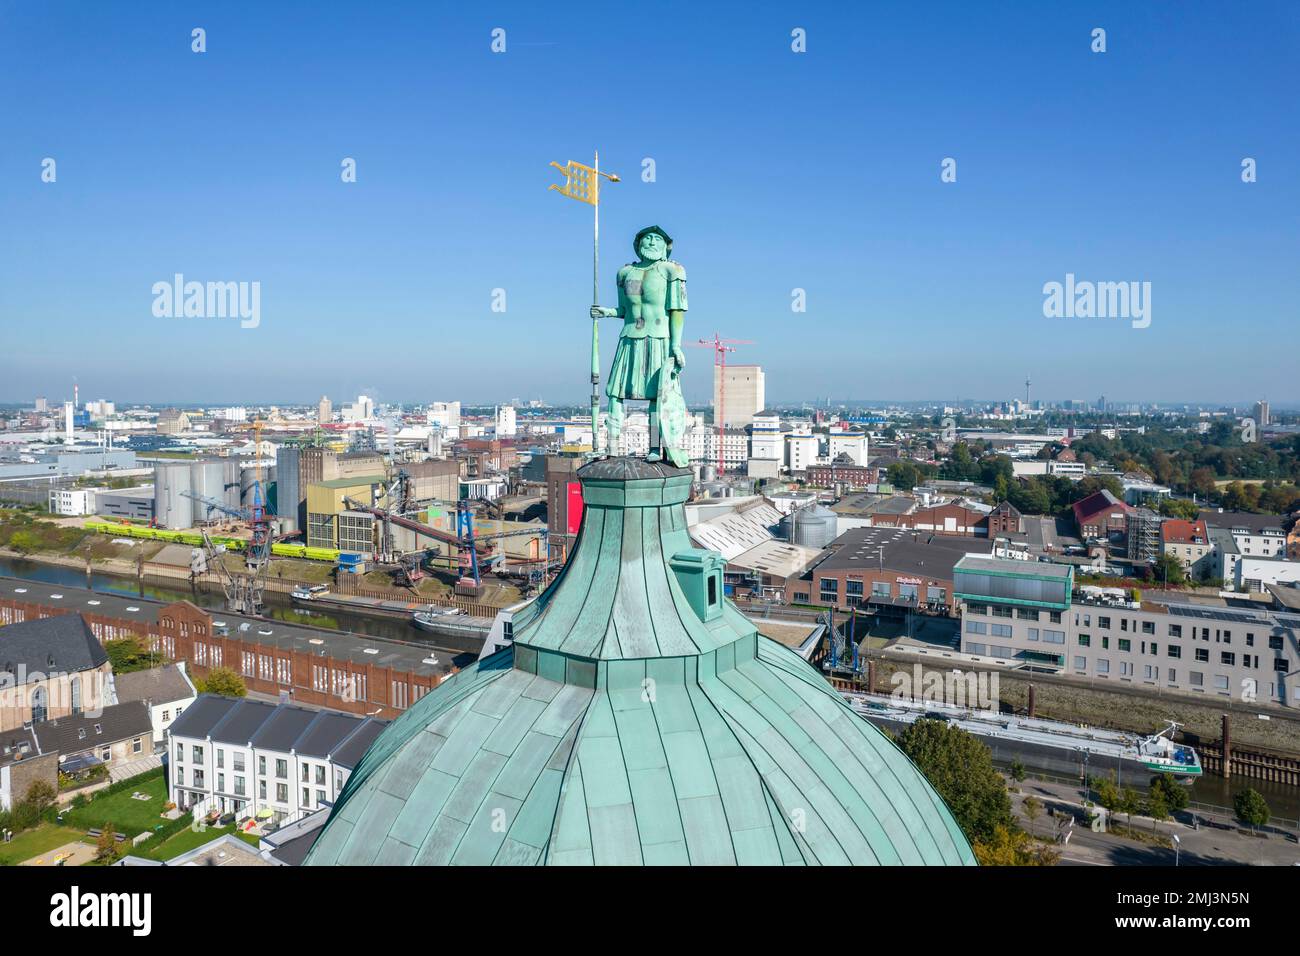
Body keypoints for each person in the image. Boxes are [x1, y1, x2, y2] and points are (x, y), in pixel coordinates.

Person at [590, 225, 688, 465]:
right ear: (638, 244)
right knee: (615, 393)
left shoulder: (672, 270)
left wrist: (676, 345)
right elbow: (625, 309)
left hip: (659, 339)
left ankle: (655, 446)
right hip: (629, 338)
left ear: (666, 246)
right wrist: (606, 312)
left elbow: (677, 310)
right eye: (647, 238)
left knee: (658, 397)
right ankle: (612, 445)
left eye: (658, 239)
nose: (652, 242)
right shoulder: (625, 273)